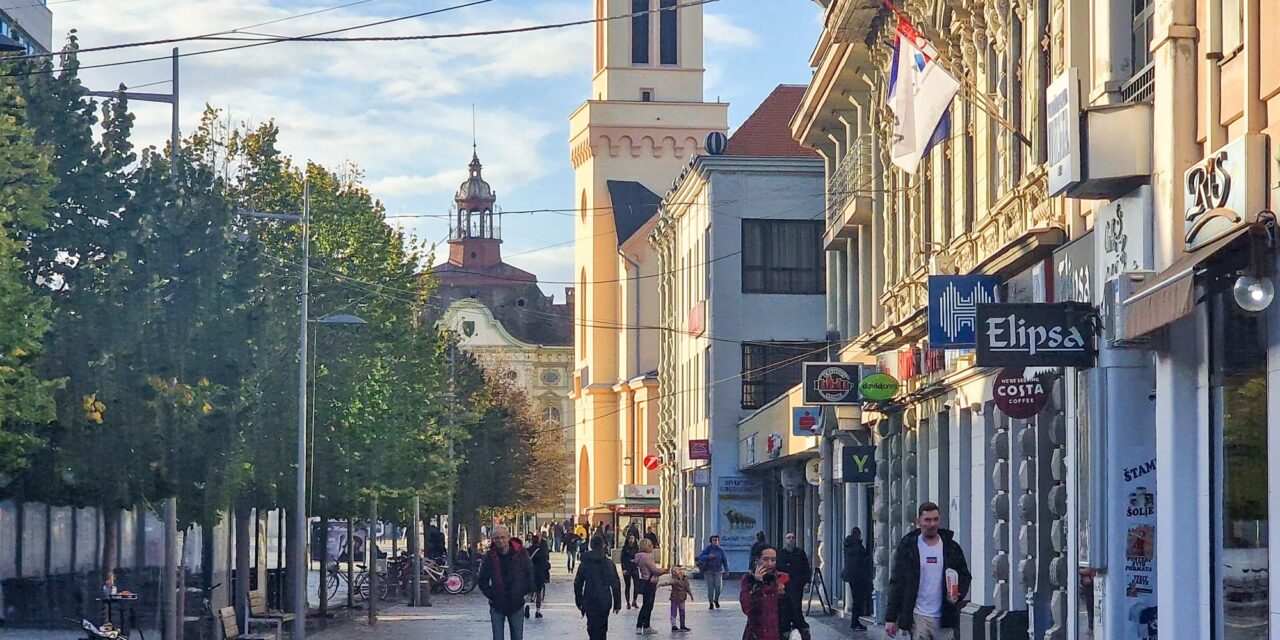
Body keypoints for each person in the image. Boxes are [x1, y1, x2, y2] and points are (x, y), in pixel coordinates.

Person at [884, 502, 972, 639]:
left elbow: (964, 575)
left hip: (945, 617)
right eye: (927, 520)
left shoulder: (951, 548)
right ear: (918, 521)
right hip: (918, 616)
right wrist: (891, 618)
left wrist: (958, 593)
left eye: (935, 519)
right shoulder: (908, 548)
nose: (932, 524)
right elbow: (897, 582)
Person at [478, 525, 535, 640]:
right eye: (497, 538)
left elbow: (530, 573)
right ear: (493, 539)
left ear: (508, 537)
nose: (500, 540)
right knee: (498, 637)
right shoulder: (490, 556)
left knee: (517, 637)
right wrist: (492, 595)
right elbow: (482, 579)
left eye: (503, 537)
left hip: (516, 603)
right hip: (497, 604)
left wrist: (522, 592)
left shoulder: (520, 553)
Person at [574, 535, 622, 640]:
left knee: (592, 627)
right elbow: (615, 583)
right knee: (602, 627)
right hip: (604, 599)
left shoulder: (585, 563)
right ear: (603, 546)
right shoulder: (608, 563)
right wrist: (617, 603)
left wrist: (579, 600)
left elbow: (578, 583)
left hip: (590, 599)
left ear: (591, 545)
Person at [740, 545, 788, 640]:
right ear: (757, 560)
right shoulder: (749, 580)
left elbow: (791, 608)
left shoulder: (781, 578)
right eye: (765, 559)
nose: (770, 563)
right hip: (757, 633)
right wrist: (758, 583)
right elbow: (748, 608)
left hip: (778, 633)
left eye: (773, 560)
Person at [777, 532, 813, 640]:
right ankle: (785, 630)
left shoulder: (800, 553)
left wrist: (807, 582)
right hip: (785, 586)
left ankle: (800, 628)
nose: (791, 540)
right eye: (788, 538)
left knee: (796, 607)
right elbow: (777, 570)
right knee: (784, 609)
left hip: (797, 586)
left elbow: (806, 569)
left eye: (792, 538)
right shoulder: (781, 554)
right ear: (785, 540)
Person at [633, 538, 667, 634]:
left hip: (644, 581)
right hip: (650, 582)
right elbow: (654, 570)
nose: (652, 547)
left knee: (646, 605)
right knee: (648, 605)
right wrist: (664, 571)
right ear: (646, 547)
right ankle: (641, 626)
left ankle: (645, 626)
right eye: (650, 545)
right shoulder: (647, 557)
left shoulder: (639, 556)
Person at [843, 527, 873, 632]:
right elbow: (859, 562)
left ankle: (855, 622)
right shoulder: (856, 546)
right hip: (857, 577)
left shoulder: (849, 545)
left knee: (857, 600)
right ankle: (854, 623)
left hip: (852, 577)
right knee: (857, 601)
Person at [695, 535, 729, 609]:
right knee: (710, 588)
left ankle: (716, 599)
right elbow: (700, 557)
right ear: (711, 541)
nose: (715, 542)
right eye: (714, 540)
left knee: (718, 587)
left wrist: (727, 570)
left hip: (718, 571)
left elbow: (724, 561)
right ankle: (711, 603)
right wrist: (708, 556)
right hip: (708, 571)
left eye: (717, 540)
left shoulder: (720, 550)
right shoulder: (708, 549)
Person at [661, 565, 694, 633]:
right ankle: (674, 626)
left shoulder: (684, 579)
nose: (674, 572)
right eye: (673, 571)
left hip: (682, 598)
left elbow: (687, 588)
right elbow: (668, 582)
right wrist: (661, 584)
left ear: (680, 571)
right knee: (674, 612)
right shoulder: (674, 580)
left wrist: (691, 595)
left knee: (682, 612)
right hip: (674, 599)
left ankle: (682, 625)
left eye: (676, 570)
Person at [527, 533, 552, 619]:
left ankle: (527, 605)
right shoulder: (542, 551)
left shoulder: (527, 550)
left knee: (529, 592)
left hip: (530, 574)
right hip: (539, 575)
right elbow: (546, 564)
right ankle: (538, 611)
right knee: (538, 593)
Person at [620, 533, 641, 609]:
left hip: (634, 568)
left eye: (632, 538)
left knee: (637, 585)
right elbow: (622, 560)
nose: (631, 540)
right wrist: (624, 569)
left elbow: (639, 558)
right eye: (630, 538)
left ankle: (634, 601)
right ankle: (628, 602)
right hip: (627, 568)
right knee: (627, 585)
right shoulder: (625, 548)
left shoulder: (636, 548)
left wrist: (637, 562)